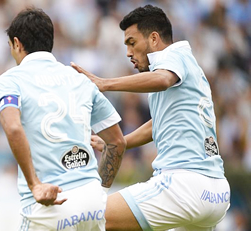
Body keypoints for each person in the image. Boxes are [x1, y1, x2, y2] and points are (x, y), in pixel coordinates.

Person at [71, 4, 230, 231]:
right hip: (214, 192)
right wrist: (119, 142)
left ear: (154, 39)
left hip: (184, 185)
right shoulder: (186, 66)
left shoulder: (173, 56)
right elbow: (160, 123)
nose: (128, 52)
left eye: (132, 43)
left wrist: (104, 83)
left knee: (89, 217)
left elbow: (163, 79)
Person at [0, 8, 126, 231]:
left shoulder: (10, 81)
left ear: (16, 43)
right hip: (92, 201)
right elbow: (117, 142)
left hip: (50, 204)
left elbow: (13, 128)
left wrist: (35, 185)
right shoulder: (81, 79)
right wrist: (98, 191)